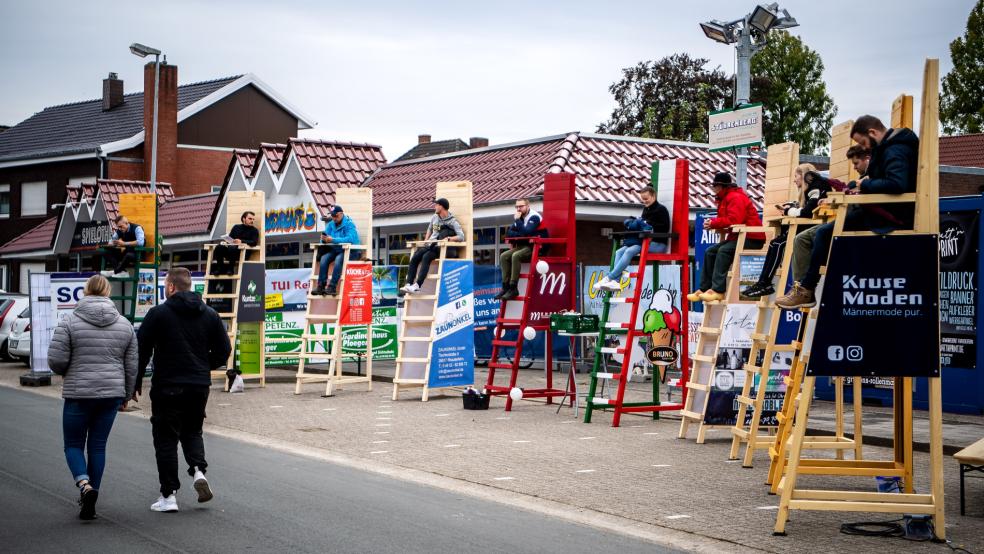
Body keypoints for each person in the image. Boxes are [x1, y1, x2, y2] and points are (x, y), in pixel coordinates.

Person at [776, 115, 919, 309]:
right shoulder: (887, 148)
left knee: (824, 233)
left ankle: (807, 289)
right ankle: (805, 287)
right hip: (880, 209)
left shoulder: (895, 149)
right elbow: (883, 179)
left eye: (862, 142)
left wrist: (866, 184)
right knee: (817, 235)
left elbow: (897, 183)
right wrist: (859, 184)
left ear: (873, 132)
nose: (864, 147)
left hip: (889, 215)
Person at [134, 267, 231, 512]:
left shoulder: (158, 314)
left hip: (168, 385)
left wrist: (134, 383)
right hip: (199, 386)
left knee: (166, 439)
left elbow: (141, 349)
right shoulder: (210, 314)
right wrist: (203, 365)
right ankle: (198, 471)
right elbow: (224, 349)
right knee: (192, 430)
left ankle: (168, 496)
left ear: (170, 287)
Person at [48, 275, 138, 520]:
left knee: (73, 445)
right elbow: (132, 365)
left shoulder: (69, 321)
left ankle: (84, 485)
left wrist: (68, 369)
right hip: (111, 394)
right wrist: (127, 395)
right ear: (108, 293)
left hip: (79, 393)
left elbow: (56, 360)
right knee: (98, 446)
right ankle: (91, 500)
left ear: (85, 291)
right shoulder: (124, 324)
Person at [740, 163, 817, 298]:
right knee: (775, 242)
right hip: (801, 229)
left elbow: (807, 212)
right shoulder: (806, 193)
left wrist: (789, 210)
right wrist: (792, 206)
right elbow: (803, 208)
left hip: (807, 232)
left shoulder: (815, 190)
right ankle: (763, 282)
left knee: (778, 243)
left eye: (796, 176)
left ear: (804, 176)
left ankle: (765, 283)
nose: (794, 180)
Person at [687, 172, 766, 303]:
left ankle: (718, 291)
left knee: (723, 251)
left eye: (715, 186)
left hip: (752, 238)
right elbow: (730, 221)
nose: (713, 189)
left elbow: (735, 219)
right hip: (739, 236)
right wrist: (713, 224)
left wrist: (714, 223)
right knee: (710, 252)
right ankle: (705, 289)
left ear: (722, 186)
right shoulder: (725, 198)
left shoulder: (735, 197)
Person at [593, 186, 670, 292]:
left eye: (646, 198)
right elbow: (642, 226)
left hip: (658, 244)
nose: (644, 201)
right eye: (642, 199)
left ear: (653, 196)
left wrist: (647, 224)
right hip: (644, 241)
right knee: (619, 251)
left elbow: (664, 228)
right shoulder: (646, 210)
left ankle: (609, 277)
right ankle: (615, 282)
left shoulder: (661, 209)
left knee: (630, 250)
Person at [400, 198, 465, 294]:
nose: (434, 206)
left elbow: (461, 236)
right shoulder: (434, 217)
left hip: (440, 247)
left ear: (441, 207)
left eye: (436, 205)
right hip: (431, 244)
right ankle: (409, 284)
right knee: (415, 257)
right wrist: (426, 240)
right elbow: (429, 229)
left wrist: (449, 238)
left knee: (426, 256)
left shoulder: (453, 221)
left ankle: (417, 285)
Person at [497, 198, 547, 300]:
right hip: (523, 246)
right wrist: (521, 232)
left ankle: (513, 287)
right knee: (504, 256)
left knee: (516, 256)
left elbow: (527, 232)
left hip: (537, 247)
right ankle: (505, 287)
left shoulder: (534, 216)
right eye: (517, 207)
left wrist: (517, 222)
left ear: (528, 206)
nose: (518, 209)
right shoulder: (519, 217)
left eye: (521, 206)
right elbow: (509, 233)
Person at [314, 205, 359, 296]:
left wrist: (333, 240)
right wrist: (324, 240)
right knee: (324, 258)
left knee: (338, 259)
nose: (334, 218)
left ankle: (332, 287)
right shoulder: (330, 224)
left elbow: (350, 239)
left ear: (341, 214)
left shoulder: (349, 224)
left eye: (336, 215)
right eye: (332, 215)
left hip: (351, 251)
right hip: (337, 249)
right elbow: (324, 237)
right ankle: (321, 286)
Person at [212, 211, 260, 275]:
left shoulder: (254, 230)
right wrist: (225, 241)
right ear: (244, 219)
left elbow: (254, 242)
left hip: (243, 254)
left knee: (233, 247)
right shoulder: (236, 227)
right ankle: (220, 268)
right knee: (219, 247)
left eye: (253, 219)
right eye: (250, 219)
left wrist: (241, 241)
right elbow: (230, 238)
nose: (252, 221)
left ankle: (231, 269)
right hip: (231, 252)